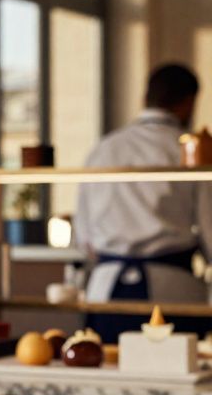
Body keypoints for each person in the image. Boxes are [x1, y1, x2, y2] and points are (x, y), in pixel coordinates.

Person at [76, 63, 211, 342]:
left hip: (104, 292)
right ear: (188, 102)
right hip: (172, 292)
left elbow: (84, 237)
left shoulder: (104, 148)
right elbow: (210, 229)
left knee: (107, 378)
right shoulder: (189, 151)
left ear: (145, 98)